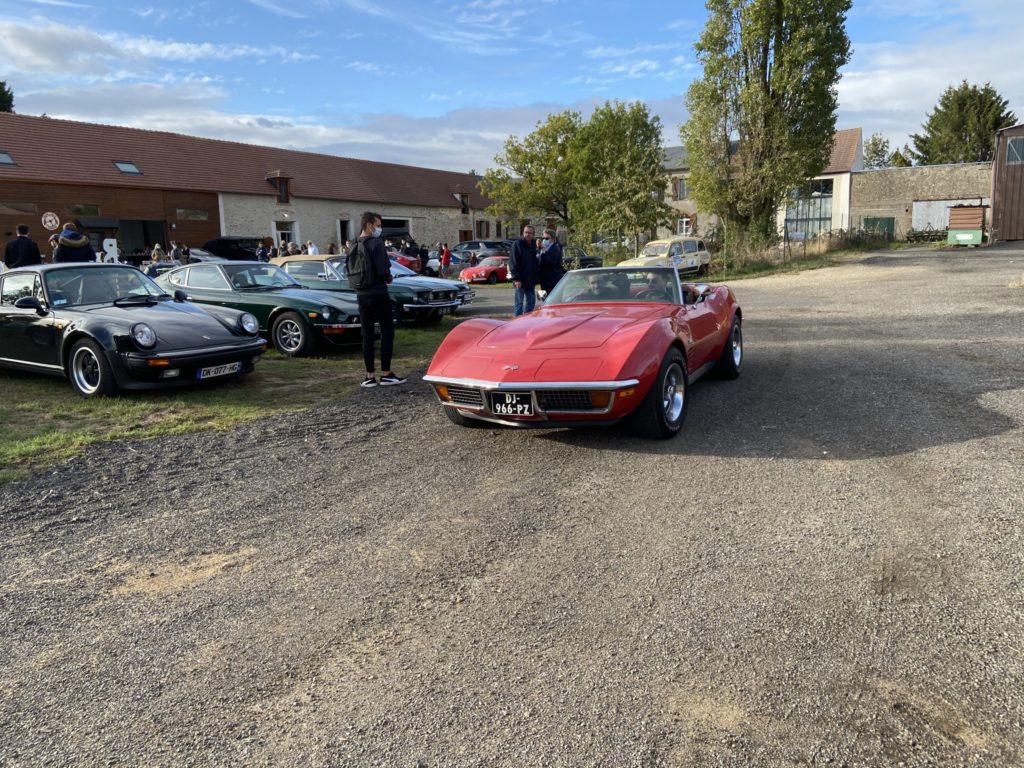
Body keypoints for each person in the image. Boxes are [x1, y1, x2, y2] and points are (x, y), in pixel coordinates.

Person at [349, 211, 406, 388]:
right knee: (387, 331)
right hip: (378, 292)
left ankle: (369, 375)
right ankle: (386, 372)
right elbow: (383, 269)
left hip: (361, 293)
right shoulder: (376, 244)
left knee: (367, 334)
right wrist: (388, 277)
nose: (379, 229)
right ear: (369, 226)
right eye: (378, 225)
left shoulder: (352, 245)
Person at [509, 224, 538, 315]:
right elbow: (513, 262)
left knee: (531, 302)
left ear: (533, 234)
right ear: (523, 233)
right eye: (526, 232)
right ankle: (518, 323)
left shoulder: (533, 244)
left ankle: (526, 321)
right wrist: (516, 278)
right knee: (519, 303)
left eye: (530, 233)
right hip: (520, 279)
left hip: (530, 280)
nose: (527, 234)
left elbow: (535, 261)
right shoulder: (517, 244)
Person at [537, 227, 565, 297]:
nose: (544, 240)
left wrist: (543, 250)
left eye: (546, 238)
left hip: (553, 280)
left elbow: (550, 261)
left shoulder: (556, 248)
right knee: (544, 300)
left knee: (554, 299)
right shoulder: (543, 248)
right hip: (544, 280)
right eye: (543, 238)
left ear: (552, 239)